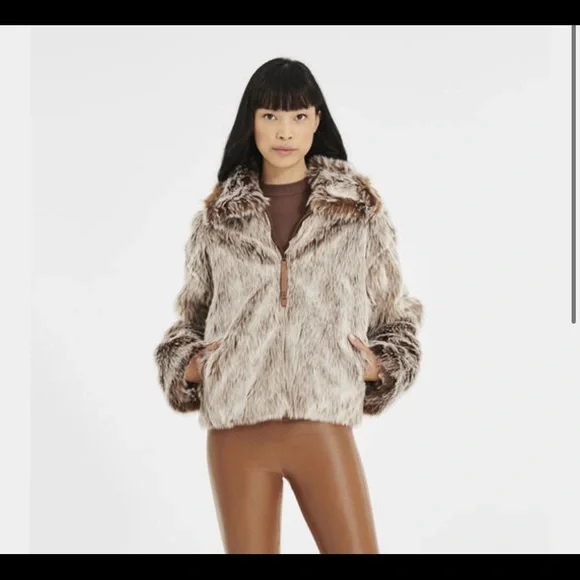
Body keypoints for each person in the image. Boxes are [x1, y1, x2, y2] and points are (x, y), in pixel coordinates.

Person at [153, 57, 424, 554]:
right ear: (251, 121)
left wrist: (380, 365)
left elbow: (395, 313)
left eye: (299, 116)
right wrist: (188, 366)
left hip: (321, 423)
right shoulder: (217, 219)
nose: (285, 131)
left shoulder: (357, 213)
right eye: (271, 116)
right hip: (236, 430)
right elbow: (191, 317)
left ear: (317, 120)